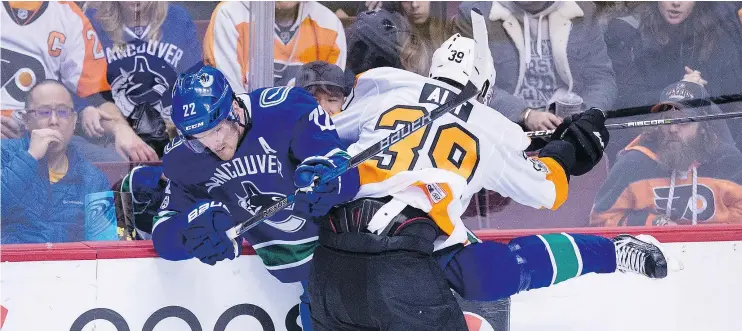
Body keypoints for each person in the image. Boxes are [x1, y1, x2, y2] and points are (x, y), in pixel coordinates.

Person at [308, 33, 664, 330]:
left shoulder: (386, 87)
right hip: (401, 266)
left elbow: (325, 135)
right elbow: (549, 190)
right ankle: (611, 252)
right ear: (486, 87)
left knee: (477, 271)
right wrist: (565, 153)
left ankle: (613, 253)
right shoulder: (490, 128)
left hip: (329, 265)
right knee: (488, 269)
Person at [150, 65, 359, 331]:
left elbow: (346, 173)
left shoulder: (286, 111)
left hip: (349, 256)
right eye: (197, 139)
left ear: (235, 109)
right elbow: (163, 236)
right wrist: (189, 232)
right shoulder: (185, 157)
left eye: (216, 130)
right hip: (311, 285)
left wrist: (331, 181)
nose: (212, 145)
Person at [0, 0, 158, 162]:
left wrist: (121, 128)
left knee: (114, 162)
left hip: (50, 138)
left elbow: (98, 98)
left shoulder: (70, 16)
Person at [591, 81, 742, 227]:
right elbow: (600, 220)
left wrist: (706, 236)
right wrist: (654, 224)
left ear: (703, 125)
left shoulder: (727, 162)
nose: (673, 129)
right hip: (650, 250)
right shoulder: (633, 163)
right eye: (667, 119)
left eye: (683, 121)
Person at [452, 1, 617, 132]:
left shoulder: (583, 10)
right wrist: (525, 114)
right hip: (502, 133)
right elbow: (469, 83)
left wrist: (587, 115)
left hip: (572, 133)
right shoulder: (475, 13)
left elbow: (601, 78)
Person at [604, 1, 742, 156]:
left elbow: (732, 96)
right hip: (647, 138)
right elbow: (624, 101)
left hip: (709, 141)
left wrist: (698, 90)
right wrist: (679, 90)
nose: (676, 3)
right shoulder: (629, 31)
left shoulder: (717, 31)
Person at [84, 1, 203, 157]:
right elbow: (85, 93)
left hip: (170, 133)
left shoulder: (178, 19)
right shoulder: (93, 22)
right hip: (115, 140)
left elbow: (194, 85)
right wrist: (115, 125)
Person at [1, 80, 110, 244]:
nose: (53, 121)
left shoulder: (93, 180)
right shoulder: (4, 153)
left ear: (74, 121)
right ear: (26, 120)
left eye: (62, 112)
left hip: (68, 267)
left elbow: (104, 247)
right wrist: (30, 156)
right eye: (44, 112)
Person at [204, 1, 347, 90]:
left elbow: (329, 102)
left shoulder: (330, 25)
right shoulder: (229, 15)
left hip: (306, 133)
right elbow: (231, 100)